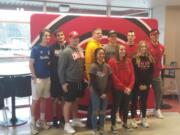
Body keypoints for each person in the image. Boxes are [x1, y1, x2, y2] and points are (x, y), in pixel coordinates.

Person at [58, 31, 85, 134]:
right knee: (68, 103)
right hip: (69, 82)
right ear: (69, 39)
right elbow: (60, 69)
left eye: (77, 38)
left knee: (76, 100)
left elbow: (81, 65)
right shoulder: (66, 52)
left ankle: (75, 119)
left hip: (79, 81)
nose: (76, 40)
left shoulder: (80, 49)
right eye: (73, 38)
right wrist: (63, 83)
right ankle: (66, 124)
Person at [29, 29, 51, 135]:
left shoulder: (48, 48)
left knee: (43, 100)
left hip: (47, 78)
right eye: (46, 36)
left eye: (49, 36)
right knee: (35, 101)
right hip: (37, 79)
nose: (48, 37)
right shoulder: (35, 49)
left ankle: (42, 121)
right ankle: (32, 124)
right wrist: (34, 76)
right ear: (41, 36)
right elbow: (31, 64)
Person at [108, 45, 135, 133]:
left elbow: (132, 76)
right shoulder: (112, 61)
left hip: (128, 89)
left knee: (126, 106)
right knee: (115, 106)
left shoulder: (129, 61)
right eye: (121, 49)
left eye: (124, 49)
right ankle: (113, 125)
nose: (123, 51)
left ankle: (125, 123)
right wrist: (124, 87)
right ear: (117, 50)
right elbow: (113, 77)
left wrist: (130, 87)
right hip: (118, 89)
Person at [130, 40, 154, 128]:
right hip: (136, 85)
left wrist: (147, 84)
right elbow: (134, 73)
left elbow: (151, 73)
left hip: (146, 85)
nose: (143, 48)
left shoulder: (150, 59)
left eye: (145, 47)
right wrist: (139, 84)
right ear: (139, 48)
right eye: (142, 47)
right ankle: (133, 119)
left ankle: (143, 118)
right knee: (134, 102)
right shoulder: (134, 59)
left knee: (144, 102)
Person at [90, 48, 112, 134]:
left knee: (103, 111)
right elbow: (93, 82)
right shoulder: (93, 66)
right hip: (96, 92)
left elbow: (110, 80)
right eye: (99, 54)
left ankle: (101, 127)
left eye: (103, 54)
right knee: (95, 111)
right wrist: (100, 93)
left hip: (105, 93)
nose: (101, 55)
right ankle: (94, 128)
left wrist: (105, 92)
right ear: (96, 55)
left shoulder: (107, 66)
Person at [85, 28, 103, 128]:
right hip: (93, 78)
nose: (99, 35)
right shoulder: (91, 45)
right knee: (93, 101)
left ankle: (93, 122)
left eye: (100, 33)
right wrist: (89, 78)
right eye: (97, 33)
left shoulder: (98, 44)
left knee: (96, 101)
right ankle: (91, 123)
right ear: (93, 34)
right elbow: (88, 63)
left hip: (99, 77)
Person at [49, 29, 67, 127]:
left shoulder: (68, 47)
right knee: (55, 99)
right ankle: (55, 119)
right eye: (58, 35)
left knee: (64, 98)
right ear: (55, 37)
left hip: (65, 78)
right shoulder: (51, 48)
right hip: (55, 77)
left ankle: (63, 118)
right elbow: (50, 63)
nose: (60, 37)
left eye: (62, 35)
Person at [103, 30, 122, 123]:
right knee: (104, 96)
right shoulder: (105, 47)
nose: (113, 38)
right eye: (111, 36)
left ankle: (116, 114)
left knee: (116, 96)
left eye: (115, 36)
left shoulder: (120, 47)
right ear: (108, 37)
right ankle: (102, 115)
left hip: (118, 75)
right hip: (107, 75)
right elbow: (102, 61)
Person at [148, 29, 165, 119]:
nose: (156, 36)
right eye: (154, 35)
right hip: (147, 74)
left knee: (159, 92)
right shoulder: (146, 46)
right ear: (150, 36)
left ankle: (157, 109)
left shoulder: (162, 47)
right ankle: (143, 112)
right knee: (143, 93)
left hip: (156, 74)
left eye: (157, 35)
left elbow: (160, 59)